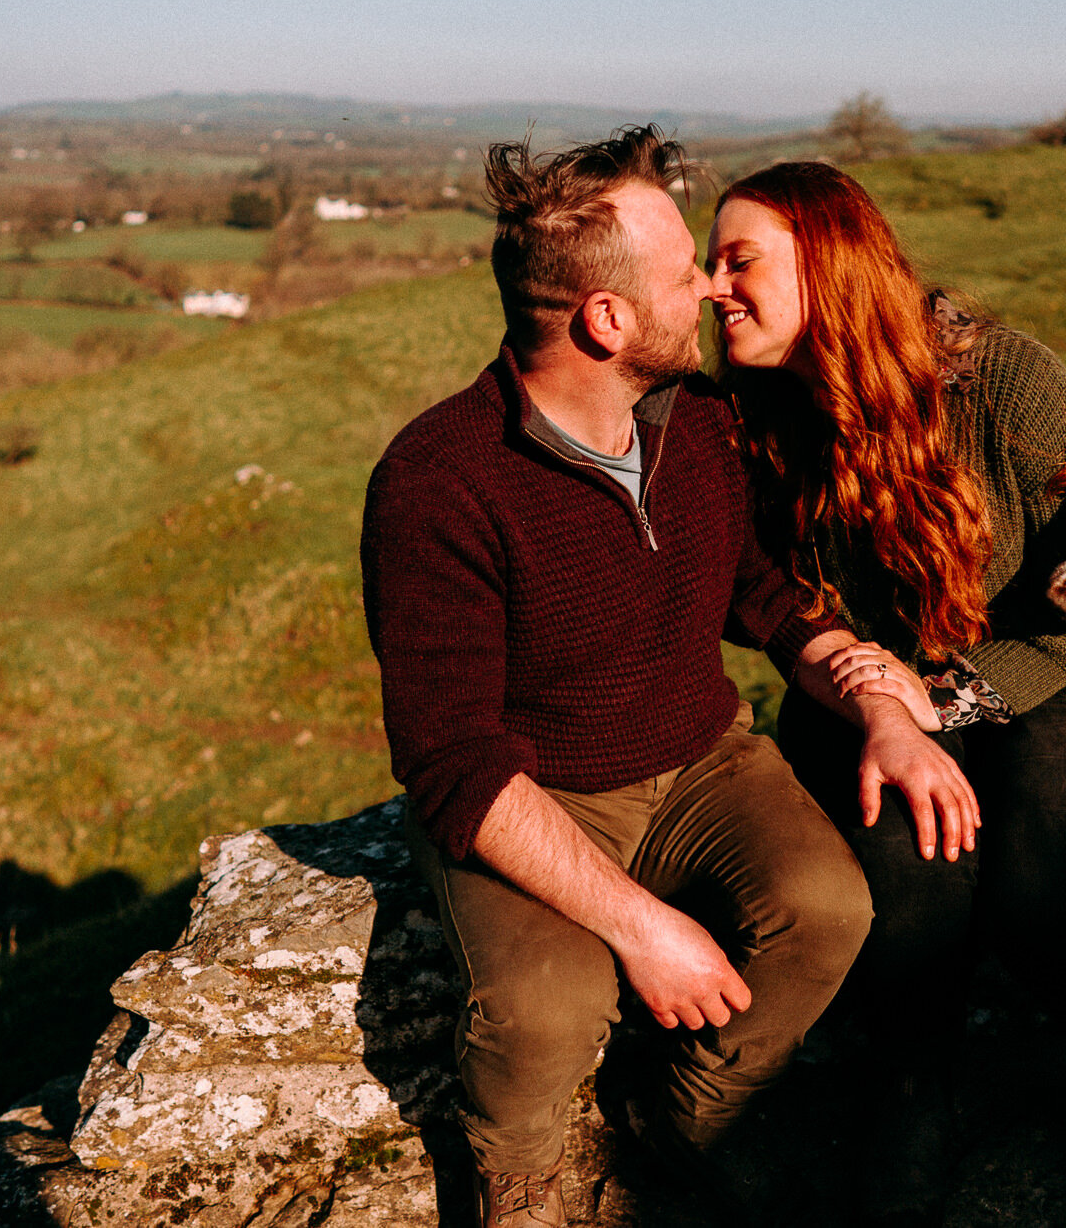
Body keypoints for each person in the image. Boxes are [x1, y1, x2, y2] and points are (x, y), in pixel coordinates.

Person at [361, 127, 966, 1228]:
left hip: (700, 761)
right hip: (537, 794)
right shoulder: (436, 481)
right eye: (683, 267)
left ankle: (696, 1110)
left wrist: (879, 703)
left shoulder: (701, 429)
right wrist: (643, 928)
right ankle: (522, 1174)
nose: (706, 285)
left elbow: (770, 603)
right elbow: (449, 757)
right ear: (606, 320)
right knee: (548, 1005)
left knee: (828, 908)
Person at [707, 161, 1066, 1223]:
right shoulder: (752, 417)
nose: (713, 285)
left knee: (1047, 848)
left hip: (1037, 664)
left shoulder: (1002, 383)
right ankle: (913, 1085)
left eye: (739, 260)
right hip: (861, 693)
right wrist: (877, 699)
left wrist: (948, 704)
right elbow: (775, 598)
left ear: (827, 267)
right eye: (709, 260)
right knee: (904, 852)